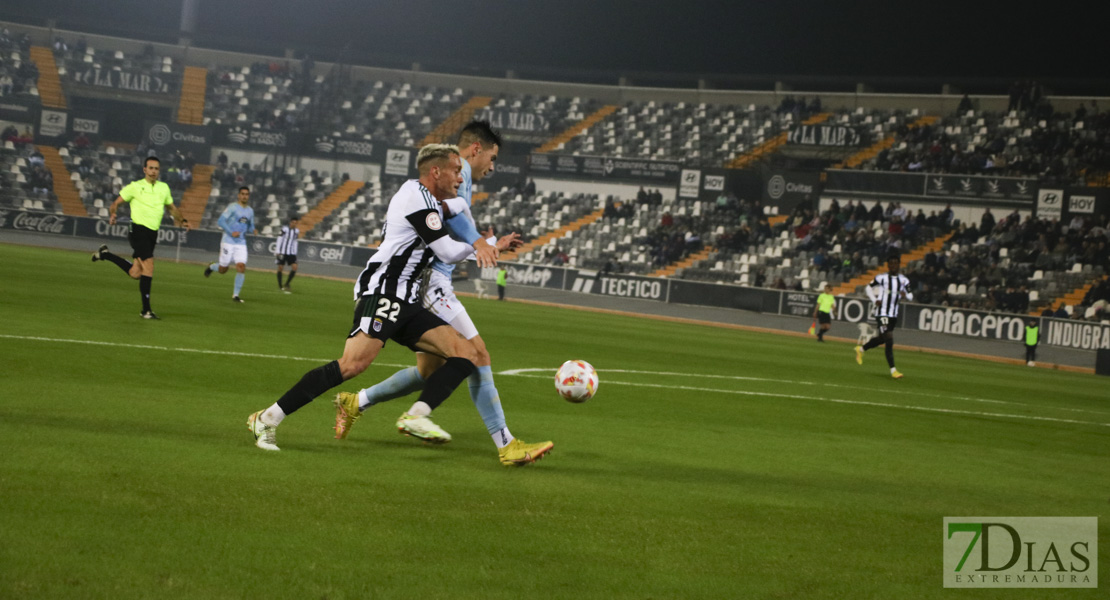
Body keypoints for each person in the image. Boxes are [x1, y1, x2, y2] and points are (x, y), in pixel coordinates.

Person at [247, 144, 499, 452]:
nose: (461, 178)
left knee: (467, 354)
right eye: (456, 171)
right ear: (436, 171)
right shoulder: (415, 198)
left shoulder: (427, 200)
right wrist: (481, 245)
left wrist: (486, 243)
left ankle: (416, 416)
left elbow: (453, 212)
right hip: (383, 290)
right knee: (352, 365)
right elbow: (446, 250)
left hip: (406, 298)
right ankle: (268, 417)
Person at [332, 123, 553, 466]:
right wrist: (480, 241)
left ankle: (355, 402)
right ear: (475, 150)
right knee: (477, 354)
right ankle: (506, 444)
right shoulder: (459, 172)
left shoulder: (452, 177)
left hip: (426, 281)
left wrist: (492, 243)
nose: (492, 167)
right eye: (492, 158)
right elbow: (457, 225)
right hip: (432, 282)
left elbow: (451, 221)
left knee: (429, 369)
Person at [92, 156, 188, 319]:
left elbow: (171, 208)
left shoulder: (163, 188)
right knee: (149, 266)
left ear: (159, 171)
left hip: (152, 233)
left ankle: (105, 254)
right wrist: (113, 214)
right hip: (137, 230)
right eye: (150, 168)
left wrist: (183, 220)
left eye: (156, 168)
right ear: (144, 170)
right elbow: (115, 203)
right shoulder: (135, 187)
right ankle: (146, 310)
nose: (153, 171)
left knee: (135, 273)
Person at [854, 253, 913, 379]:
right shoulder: (881, 278)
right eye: (890, 263)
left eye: (895, 263)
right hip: (882, 313)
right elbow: (868, 288)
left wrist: (905, 294)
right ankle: (893, 370)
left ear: (899, 265)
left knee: (882, 338)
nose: (893, 266)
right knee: (889, 339)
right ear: (887, 265)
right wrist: (874, 300)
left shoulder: (904, 280)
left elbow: (911, 296)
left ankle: (861, 349)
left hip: (893, 314)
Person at [203, 186, 256, 302]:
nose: (244, 196)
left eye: (246, 194)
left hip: (241, 242)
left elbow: (250, 225)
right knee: (223, 270)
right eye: (242, 194)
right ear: (239, 195)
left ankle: (235, 295)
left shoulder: (250, 211)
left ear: (249, 196)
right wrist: (231, 232)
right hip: (228, 241)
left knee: (241, 266)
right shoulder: (233, 207)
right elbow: (220, 221)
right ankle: (212, 266)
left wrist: (254, 229)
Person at [274, 215, 300, 293]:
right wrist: (278, 250)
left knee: (295, 267)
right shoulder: (284, 229)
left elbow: (295, 241)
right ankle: (280, 285)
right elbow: (279, 239)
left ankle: (287, 283)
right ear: (290, 222)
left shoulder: (296, 231)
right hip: (282, 251)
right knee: (280, 268)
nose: (294, 224)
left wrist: (295, 252)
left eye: (296, 223)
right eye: (293, 222)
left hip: (291, 252)